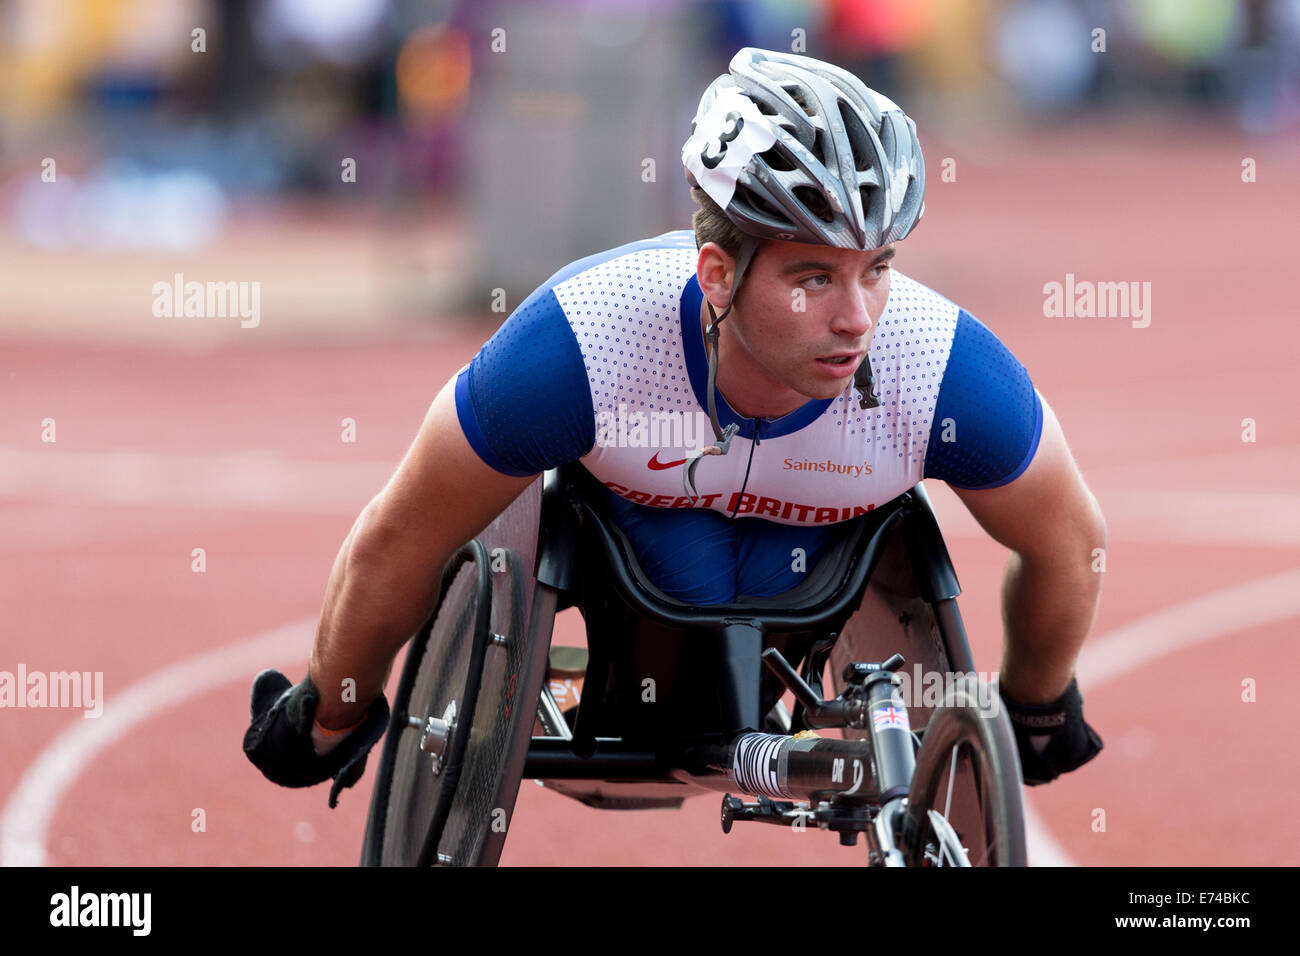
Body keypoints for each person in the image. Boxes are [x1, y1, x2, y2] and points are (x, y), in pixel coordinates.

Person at [244, 48, 1104, 808]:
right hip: (635, 570)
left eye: (877, 270)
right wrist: (331, 711)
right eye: (814, 277)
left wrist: (1034, 704)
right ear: (718, 273)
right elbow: (401, 536)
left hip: (820, 572)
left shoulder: (941, 365)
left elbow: (1070, 541)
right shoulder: (582, 343)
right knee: (678, 597)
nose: (857, 318)